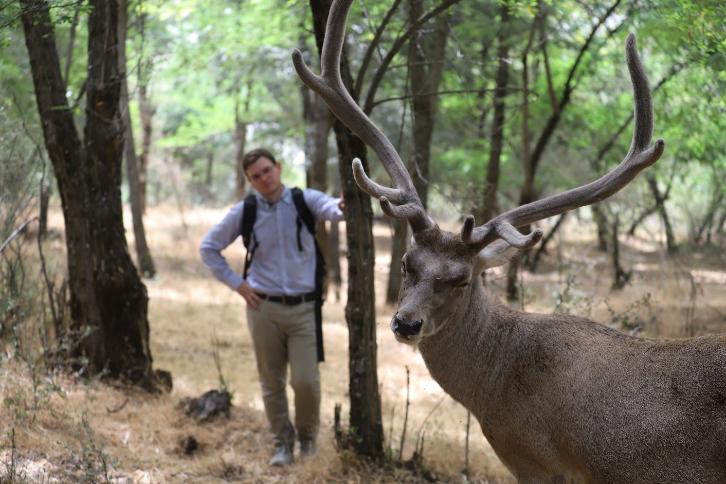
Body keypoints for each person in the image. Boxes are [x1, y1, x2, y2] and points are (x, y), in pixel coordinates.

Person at [199, 148, 343, 466]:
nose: (264, 179)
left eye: (267, 170)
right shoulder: (246, 211)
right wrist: (238, 284)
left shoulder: (305, 199)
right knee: (271, 381)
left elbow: (333, 209)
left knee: (306, 380)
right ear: (250, 181)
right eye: (256, 176)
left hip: (305, 308)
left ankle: (307, 441)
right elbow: (208, 247)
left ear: (278, 168)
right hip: (263, 308)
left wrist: (346, 203)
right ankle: (282, 443)